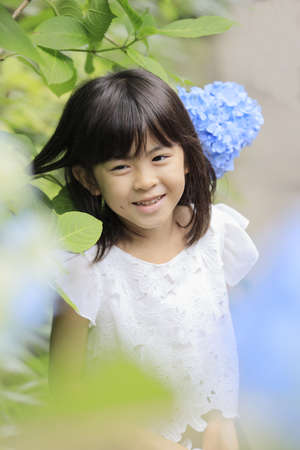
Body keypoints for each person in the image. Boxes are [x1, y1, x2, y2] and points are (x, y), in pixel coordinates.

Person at [33, 68, 259, 450]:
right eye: (121, 166)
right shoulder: (85, 270)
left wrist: (223, 422)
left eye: (159, 157)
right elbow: (66, 400)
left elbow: (216, 344)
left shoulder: (217, 236)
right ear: (89, 179)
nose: (144, 180)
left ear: (188, 157)